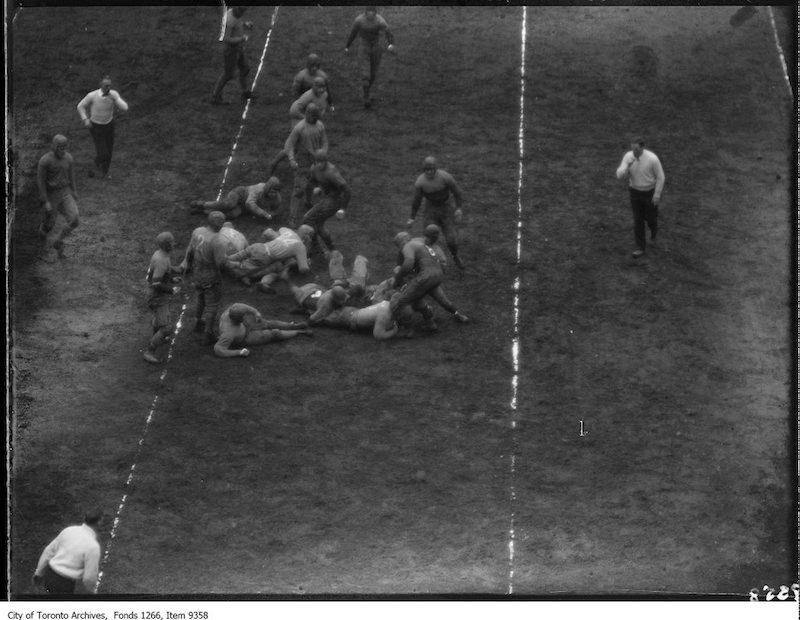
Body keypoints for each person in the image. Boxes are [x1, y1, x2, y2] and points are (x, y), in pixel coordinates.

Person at [390, 224, 469, 329]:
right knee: (442, 300)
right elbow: (441, 262)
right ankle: (457, 315)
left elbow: (407, 264)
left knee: (402, 301)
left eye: (399, 245)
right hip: (436, 275)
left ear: (404, 240)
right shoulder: (420, 243)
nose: (400, 247)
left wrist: (397, 278)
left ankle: (404, 328)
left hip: (424, 277)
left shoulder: (408, 246)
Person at [407, 156, 465, 269]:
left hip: (446, 208)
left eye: (431, 169)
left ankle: (455, 255)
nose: (429, 172)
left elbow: (457, 192)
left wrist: (459, 208)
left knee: (451, 239)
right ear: (423, 170)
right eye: (426, 170)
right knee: (428, 237)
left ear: (435, 169)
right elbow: (416, 201)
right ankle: (427, 260)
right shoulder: (421, 182)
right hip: (431, 209)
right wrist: (412, 217)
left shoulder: (445, 177)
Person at [180, 211, 228, 344]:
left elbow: (190, 250)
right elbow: (221, 264)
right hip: (211, 275)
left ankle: (197, 321)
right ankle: (208, 333)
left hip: (198, 272)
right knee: (212, 305)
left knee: (200, 297)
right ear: (221, 225)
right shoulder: (218, 240)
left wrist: (188, 265)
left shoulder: (197, 231)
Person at [615, 137, 666, 257]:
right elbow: (619, 175)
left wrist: (657, 195)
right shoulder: (628, 157)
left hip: (649, 193)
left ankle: (653, 232)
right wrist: (627, 166)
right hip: (635, 193)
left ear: (642, 147)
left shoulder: (652, 159)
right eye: (632, 149)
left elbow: (661, 177)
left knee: (651, 219)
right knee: (638, 220)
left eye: (637, 149)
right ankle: (640, 247)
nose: (634, 152)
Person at [32, 509, 103, 595]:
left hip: (50, 575)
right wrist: (92, 591)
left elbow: (48, 551)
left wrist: (39, 572)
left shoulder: (68, 530)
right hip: (64, 584)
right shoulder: (93, 546)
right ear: (99, 522)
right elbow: (89, 578)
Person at [283, 103, 329, 227]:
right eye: (311, 114)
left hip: (315, 162)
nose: (313, 117)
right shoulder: (300, 128)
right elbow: (289, 145)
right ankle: (292, 218)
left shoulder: (320, 126)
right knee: (298, 190)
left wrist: (322, 154)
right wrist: (292, 159)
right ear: (307, 113)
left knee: (312, 183)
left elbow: (324, 142)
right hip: (302, 162)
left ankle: (308, 202)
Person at [36, 134, 79, 262]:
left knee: (75, 219)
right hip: (51, 195)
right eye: (60, 147)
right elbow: (40, 181)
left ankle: (58, 242)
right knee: (48, 226)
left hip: (65, 192)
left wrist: (74, 191)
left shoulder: (69, 158)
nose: (63, 150)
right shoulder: (45, 161)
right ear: (54, 147)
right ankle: (41, 251)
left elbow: (71, 176)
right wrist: (45, 200)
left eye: (65, 147)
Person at [76, 75, 129, 178]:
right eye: (106, 86)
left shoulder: (113, 94)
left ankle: (104, 172)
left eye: (109, 86)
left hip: (109, 126)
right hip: (95, 126)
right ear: (101, 85)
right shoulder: (92, 95)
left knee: (109, 151)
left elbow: (125, 107)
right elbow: (80, 106)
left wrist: (115, 99)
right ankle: (95, 166)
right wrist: (85, 119)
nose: (108, 88)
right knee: (103, 152)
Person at [214, 303, 312, 358]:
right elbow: (219, 350)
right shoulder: (228, 334)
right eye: (243, 316)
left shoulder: (232, 310)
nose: (245, 316)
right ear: (239, 319)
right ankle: (299, 332)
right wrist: (239, 352)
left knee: (268, 323)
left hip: (244, 326)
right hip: (245, 338)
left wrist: (256, 313)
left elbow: (242, 306)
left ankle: (293, 326)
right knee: (274, 334)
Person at [225, 225, 313, 286]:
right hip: (265, 256)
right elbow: (303, 269)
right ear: (307, 236)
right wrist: (306, 258)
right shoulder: (301, 247)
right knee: (246, 268)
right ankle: (234, 267)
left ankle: (228, 258)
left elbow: (279, 229)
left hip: (259, 246)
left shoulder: (287, 231)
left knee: (240, 255)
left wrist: (280, 240)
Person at [144, 232, 184, 364]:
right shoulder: (162, 260)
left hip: (154, 295)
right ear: (166, 245)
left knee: (159, 320)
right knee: (167, 328)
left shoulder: (160, 254)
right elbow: (156, 283)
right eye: (171, 242)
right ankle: (149, 352)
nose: (174, 244)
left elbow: (159, 275)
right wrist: (171, 289)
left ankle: (156, 336)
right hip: (157, 297)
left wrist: (172, 276)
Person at [344, 7, 395, 108]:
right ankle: (366, 98)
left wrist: (391, 43)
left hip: (376, 46)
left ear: (375, 12)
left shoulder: (380, 21)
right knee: (365, 73)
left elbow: (388, 32)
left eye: (372, 11)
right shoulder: (359, 20)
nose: (370, 13)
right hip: (364, 46)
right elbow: (353, 33)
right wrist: (347, 46)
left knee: (373, 74)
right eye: (368, 11)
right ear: (365, 12)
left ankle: (365, 92)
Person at [303, 149, 351, 255]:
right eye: (317, 162)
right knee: (318, 224)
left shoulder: (331, 172)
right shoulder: (314, 168)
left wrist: (343, 209)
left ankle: (316, 245)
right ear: (314, 161)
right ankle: (331, 248)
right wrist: (314, 189)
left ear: (326, 161)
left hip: (334, 200)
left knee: (308, 218)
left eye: (322, 162)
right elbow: (311, 181)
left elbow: (347, 190)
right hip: (326, 198)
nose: (319, 165)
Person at [211, 6, 256, 104]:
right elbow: (226, 39)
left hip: (238, 48)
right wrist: (241, 39)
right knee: (228, 75)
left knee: (245, 69)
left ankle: (245, 92)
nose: (242, 14)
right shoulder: (229, 20)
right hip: (231, 51)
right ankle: (215, 96)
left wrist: (245, 24)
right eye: (241, 11)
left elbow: (238, 23)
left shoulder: (235, 13)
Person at [189, 177, 281, 221]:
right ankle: (201, 204)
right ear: (267, 188)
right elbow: (250, 203)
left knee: (231, 215)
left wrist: (271, 215)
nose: (273, 194)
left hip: (244, 208)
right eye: (271, 191)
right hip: (240, 194)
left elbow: (275, 211)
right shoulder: (259, 188)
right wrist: (264, 213)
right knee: (228, 204)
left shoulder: (277, 199)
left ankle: (203, 212)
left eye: (275, 192)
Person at [320, 299, 399, 340]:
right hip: (348, 318)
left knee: (329, 310)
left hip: (354, 311)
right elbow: (378, 336)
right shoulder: (384, 314)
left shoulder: (386, 303)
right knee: (322, 318)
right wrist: (394, 331)